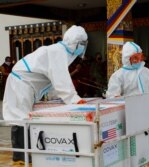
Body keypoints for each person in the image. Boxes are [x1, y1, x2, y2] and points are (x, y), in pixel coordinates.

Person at [3, 25, 88, 163]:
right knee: (20, 118)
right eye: (82, 44)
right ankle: (21, 156)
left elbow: (52, 80)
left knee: (23, 118)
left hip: (25, 84)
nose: (83, 47)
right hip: (21, 83)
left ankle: (24, 154)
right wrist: (74, 99)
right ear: (75, 43)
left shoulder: (63, 53)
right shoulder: (58, 52)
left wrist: (57, 97)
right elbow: (61, 79)